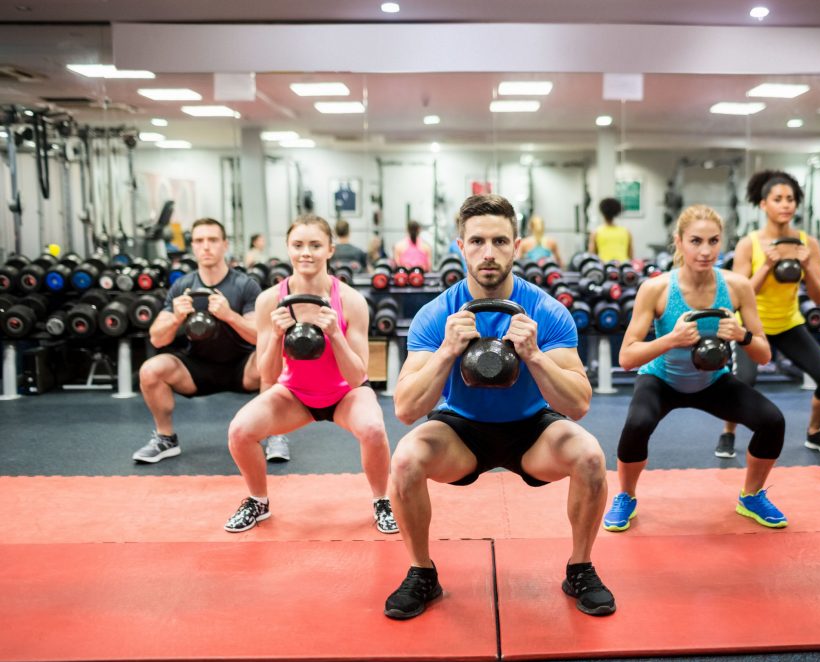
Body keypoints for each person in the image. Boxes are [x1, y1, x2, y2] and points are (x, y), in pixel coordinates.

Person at [384, 193, 615, 620]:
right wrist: (446, 352)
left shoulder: (546, 311)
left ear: (517, 245)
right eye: (477, 242)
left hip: (532, 428)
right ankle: (422, 573)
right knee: (404, 462)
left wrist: (535, 356)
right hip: (460, 431)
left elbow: (579, 404)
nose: (488, 253)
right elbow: (404, 408)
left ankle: (580, 567)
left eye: (500, 241)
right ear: (460, 247)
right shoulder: (437, 315)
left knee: (589, 457)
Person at [602, 205, 787, 534]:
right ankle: (626, 496)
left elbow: (763, 355)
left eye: (713, 241)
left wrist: (741, 335)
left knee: (772, 421)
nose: (705, 251)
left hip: (712, 381)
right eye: (696, 241)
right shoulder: (657, 289)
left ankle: (752, 495)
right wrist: (670, 340)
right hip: (661, 379)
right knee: (637, 424)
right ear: (679, 242)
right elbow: (627, 358)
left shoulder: (737, 286)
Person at [223, 214, 397, 535]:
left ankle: (382, 501)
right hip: (295, 395)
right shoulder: (268, 301)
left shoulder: (351, 301)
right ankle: (258, 501)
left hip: (345, 394)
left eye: (315, 245)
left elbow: (359, 375)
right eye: (298, 245)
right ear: (288, 249)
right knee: (240, 430)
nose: (306, 252)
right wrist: (276, 336)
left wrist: (336, 335)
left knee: (373, 429)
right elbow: (268, 374)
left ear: (330, 249)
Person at [134, 219, 291, 463]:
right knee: (151, 370)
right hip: (196, 369)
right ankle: (165, 439)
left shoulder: (245, 285)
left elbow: (263, 335)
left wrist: (230, 316)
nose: (206, 247)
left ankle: (274, 434)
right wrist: (176, 318)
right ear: (193, 247)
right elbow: (157, 338)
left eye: (213, 240)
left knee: (274, 355)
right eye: (199, 241)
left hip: (242, 367)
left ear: (225, 245)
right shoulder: (182, 286)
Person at [715, 170, 820, 459]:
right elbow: (735, 296)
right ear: (763, 205)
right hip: (752, 326)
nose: (786, 205)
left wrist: (808, 265)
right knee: (742, 383)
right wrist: (766, 266)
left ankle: (814, 432)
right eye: (778, 199)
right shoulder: (750, 243)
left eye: (791, 199)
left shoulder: (807, 243)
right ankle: (728, 432)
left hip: (789, 324)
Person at [588, 197, 633, 262]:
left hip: (604, 268)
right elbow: (631, 256)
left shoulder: (596, 232)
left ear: (602, 212)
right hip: (622, 268)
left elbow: (592, 255)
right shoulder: (626, 231)